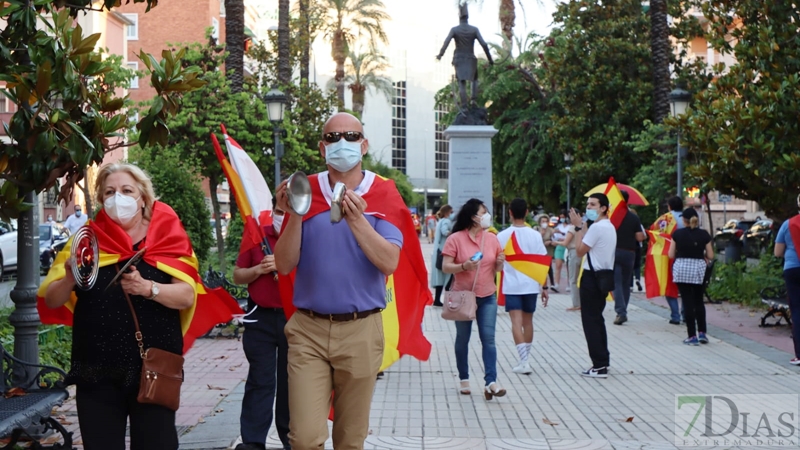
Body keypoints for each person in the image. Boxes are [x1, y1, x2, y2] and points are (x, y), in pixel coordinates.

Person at [274, 112, 413, 450]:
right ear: (322, 147)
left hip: (361, 329)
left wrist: (357, 219)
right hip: (308, 329)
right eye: (333, 137)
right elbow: (283, 263)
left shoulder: (383, 194)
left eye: (351, 136)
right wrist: (294, 212)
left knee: (350, 439)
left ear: (363, 145)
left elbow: (388, 262)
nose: (342, 144)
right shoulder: (304, 189)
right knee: (305, 438)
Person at [40, 163, 200, 450]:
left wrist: (148, 288)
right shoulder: (85, 240)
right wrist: (68, 276)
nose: (118, 198)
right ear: (101, 199)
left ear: (143, 198)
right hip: (96, 367)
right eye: (110, 192)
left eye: (127, 190)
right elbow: (52, 299)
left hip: (153, 367)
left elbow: (187, 296)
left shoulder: (167, 236)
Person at [233, 204, 290, 450]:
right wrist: (259, 269)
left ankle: (292, 439)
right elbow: (238, 275)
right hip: (261, 317)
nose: (282, 211)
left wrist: (284, 265)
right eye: (279, 205)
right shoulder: (256, 231)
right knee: (260, 379)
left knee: (293, 381)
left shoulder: (303, 229)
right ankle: (253, 441)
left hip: (294, 317)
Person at [442, 198, 506, 399]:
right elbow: (445, 266)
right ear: (473, 217)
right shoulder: (455, 239)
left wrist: (500, 263)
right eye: (483, 212)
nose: (487, 216)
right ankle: (464, 378)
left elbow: (496, 268)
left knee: (489, 339)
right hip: (463, 296)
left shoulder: (492, 239)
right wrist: (463, 267)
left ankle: (491, 382)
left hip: (487, 296)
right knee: (463, 339)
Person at [496, 199, 548, 374]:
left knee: (516, 322)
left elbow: (496, 261)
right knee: (528, 322)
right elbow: (542, 262)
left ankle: (523, 361)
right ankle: (526, 359)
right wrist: (545, 287)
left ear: (510, 212)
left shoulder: (502, 236)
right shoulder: (535, 235)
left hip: (512, 285)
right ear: (526, 212)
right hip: (531, 284)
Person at [569, 193, 616, 378]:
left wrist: (579, 227)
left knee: (591, 322)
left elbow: (580, 251)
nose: (589, 208)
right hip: (603, 276)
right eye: (588, 204)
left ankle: (599, 365)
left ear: (603, 207)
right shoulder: (609, 226)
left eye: (593, 204)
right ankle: (603, 360)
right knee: (597, 319)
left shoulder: (598, 228)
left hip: (592, 277)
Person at [668, 208, 713, 346]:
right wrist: (703, 256)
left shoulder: (677, 234)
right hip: (698, 269)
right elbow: (711, 256)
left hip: (682, 268)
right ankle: (702, 333)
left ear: (684, 220)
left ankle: (691, 336)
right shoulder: (704, 234)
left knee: (687, 302)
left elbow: (671, 255)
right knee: (698, 301)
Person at [612, 191, 645, 325]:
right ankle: (623, 309)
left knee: (616, 283)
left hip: (614, 252)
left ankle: (621, 312)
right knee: (626, 283)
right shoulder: (633, 217)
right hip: (630, 253)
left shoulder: (612, 216)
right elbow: (639, 237)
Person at [774, 194, 800, 365]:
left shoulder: (788, 224)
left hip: (793, 269)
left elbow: (777, 252)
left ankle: (799, 355)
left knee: (797, 310)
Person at [665, 196, 685, 324]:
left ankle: (675, 315)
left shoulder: (667, 218)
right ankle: (685, 314)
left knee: (670, 286)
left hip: (671, 255)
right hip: (688, 255)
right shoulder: (688, 217)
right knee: (685, 289)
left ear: (670, 206)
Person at [430, 204, 454, 307]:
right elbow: (445, 232)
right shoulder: (446, 221)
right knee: (450, 277)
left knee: (440, 278)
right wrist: (454, 233)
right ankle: (448, 300)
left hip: (439, 251)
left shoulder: (440, 221)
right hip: (444, 252)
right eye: (451, 212)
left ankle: (437, 300)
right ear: (447, 212)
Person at [558, 211, 582, 311]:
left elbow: (565, 242)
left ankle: (576, 304)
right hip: (584, 253)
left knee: (573, 279)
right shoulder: (585, 226)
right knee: (582, 279)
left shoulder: (573, 228)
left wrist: (554, 242)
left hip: (574, 253)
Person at [537, 214, 557, 291]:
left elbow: (555, 239)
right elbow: (535, 240)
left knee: (549, 267)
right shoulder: (536, 229)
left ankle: (552, 284)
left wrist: (550, 242)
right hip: (539, 251)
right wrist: (541, 234)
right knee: (539, 267)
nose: (544, 223)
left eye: (546, 221)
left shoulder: (551, 230)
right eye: (543, 221)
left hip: (548, 251)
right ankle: (540, 283)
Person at [553, 212, 571, 292]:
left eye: (563, 217)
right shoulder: (558, 227)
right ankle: (556, 284)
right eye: (561, 217)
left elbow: (569, 236)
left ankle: (569, 284)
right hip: (559, 245)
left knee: (568, 267)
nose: (562, 219)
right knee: (558, 265)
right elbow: (555, 237)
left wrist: (563, 236)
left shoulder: (570, 227)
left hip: (567, 246)